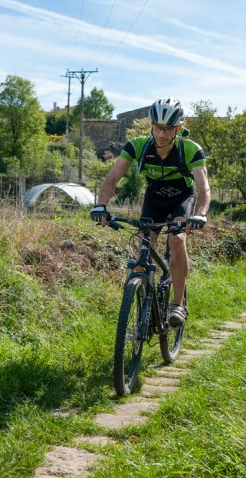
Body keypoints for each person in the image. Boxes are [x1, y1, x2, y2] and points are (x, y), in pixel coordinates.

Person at [90, 98, 211, 327]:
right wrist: (101, 205)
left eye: (167, 128)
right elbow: (112, 178)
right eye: (157, 127)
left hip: (182, 198)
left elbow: (203, 189)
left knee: (176, 240)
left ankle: (177, 305)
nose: (162, 133)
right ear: (151, 126)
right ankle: (141, 302)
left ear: (177, 128)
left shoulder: (190, 149)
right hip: (154, 198)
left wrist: (200, 214)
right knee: (143, 245)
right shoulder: (137, 146)